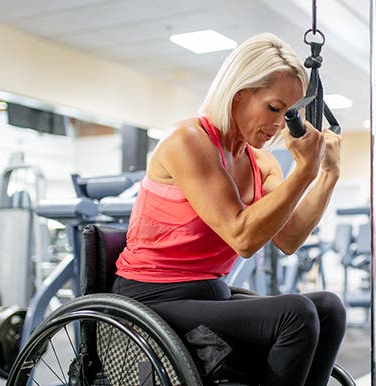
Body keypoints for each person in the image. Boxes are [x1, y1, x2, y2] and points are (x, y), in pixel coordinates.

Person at [112, 33, 345, 386]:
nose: (281, 124)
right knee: (295, 315)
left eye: (289, 113)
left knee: (328, 308)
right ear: (240, 95)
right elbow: (243, 237)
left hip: (210, 293)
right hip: (152, 298)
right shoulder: (187, 140)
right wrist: (304, 171)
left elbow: (289, 237)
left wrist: (327, 174)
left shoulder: (262, 162)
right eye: (273, 108)